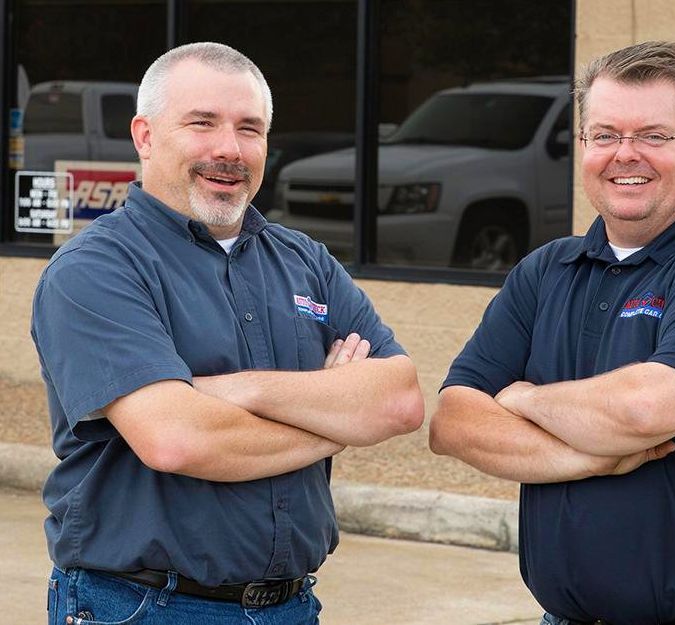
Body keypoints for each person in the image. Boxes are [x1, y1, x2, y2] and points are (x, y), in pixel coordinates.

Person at [32, 42, 424, 625]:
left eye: (250, 129)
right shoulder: (96, 269)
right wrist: (333, 421)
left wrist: (235, 391)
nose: (229, 149)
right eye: (202, 124)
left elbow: (400, 400)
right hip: (142, 606)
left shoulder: (305, 261)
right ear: (144, 136)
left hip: (291, 605)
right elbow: (177, 441)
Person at [430, 41, 675, 625]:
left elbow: (645, 412)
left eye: (654, 136)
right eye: (604, 135)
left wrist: (524, 398)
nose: (625, 155)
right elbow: (453, 422)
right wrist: (590, 460)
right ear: (583, 146)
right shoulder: (544, 271)